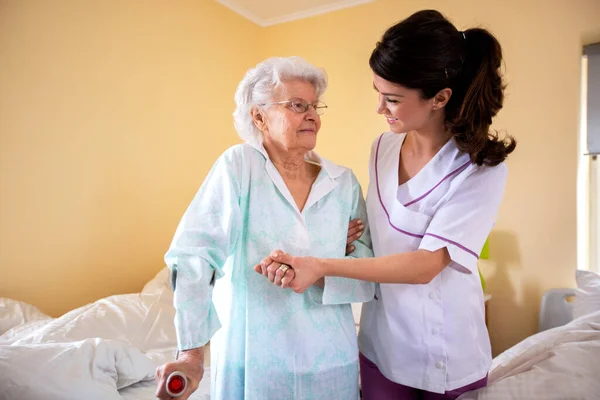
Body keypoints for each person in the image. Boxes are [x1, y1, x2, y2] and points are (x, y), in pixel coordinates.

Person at [259, 10, 516, 400]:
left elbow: (425, 265)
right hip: (380, 344)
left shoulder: (480, 169)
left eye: (392, 98)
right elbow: (371, 233)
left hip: (445, 351)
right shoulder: (382, 148)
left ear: (440, 98)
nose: (380, 108)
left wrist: (323, 265)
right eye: (378, 92)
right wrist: (337, 238)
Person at [154, 56, 374, 400]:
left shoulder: (342, 182)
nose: (312, 115)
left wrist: (323, 264)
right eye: (297, 105)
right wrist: (192, 353)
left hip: (330, 359)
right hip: (254, 359)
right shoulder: (239, 167)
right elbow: (193, 257)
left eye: (315, 106)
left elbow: (366, 267)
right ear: (259, 116)